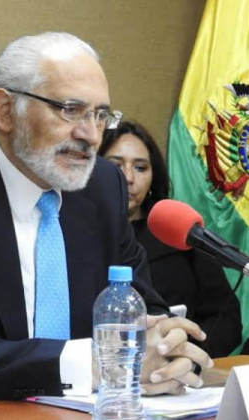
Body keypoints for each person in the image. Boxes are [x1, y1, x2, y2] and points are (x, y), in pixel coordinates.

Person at [0, 32, 212, 400]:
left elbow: (143, 309)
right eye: (70, 110)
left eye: (101, 115)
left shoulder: (101, 186)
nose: (90, 135)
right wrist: (89, 365)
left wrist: (168, 352)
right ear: (5, 110)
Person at [99, 120, 242, 357]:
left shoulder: (179, 231)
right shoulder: (76, 233)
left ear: (154, 176)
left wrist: (184, 356)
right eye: (115, 165)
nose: (128, 178)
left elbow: (226, 320)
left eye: (140, 167)